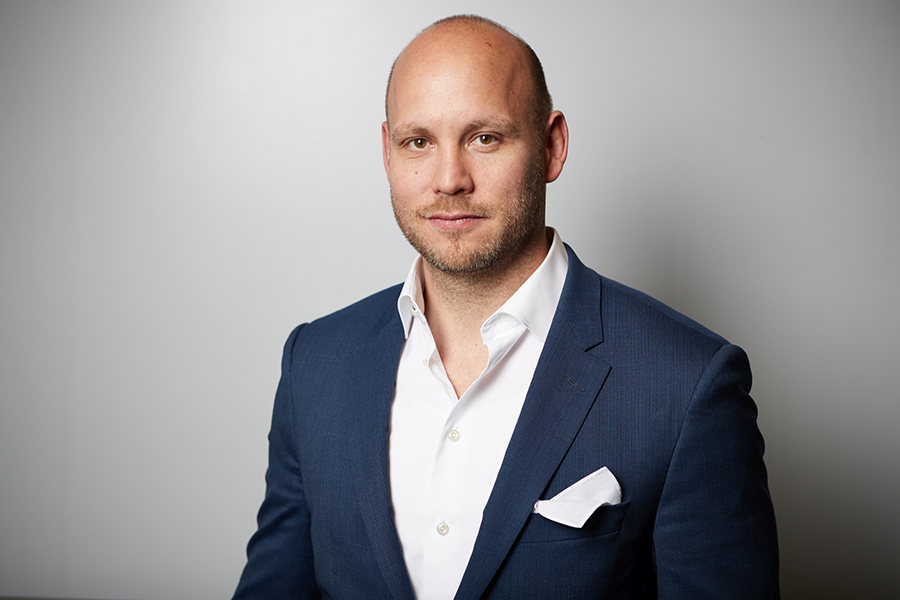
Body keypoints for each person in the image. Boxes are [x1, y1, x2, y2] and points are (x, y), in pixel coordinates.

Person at [233, 14, 779, 600]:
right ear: (387, 153)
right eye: (418, 142)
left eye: (485, 138)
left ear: (552, 147)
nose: (449, 180)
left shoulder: (687, 383)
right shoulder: (314, 363)